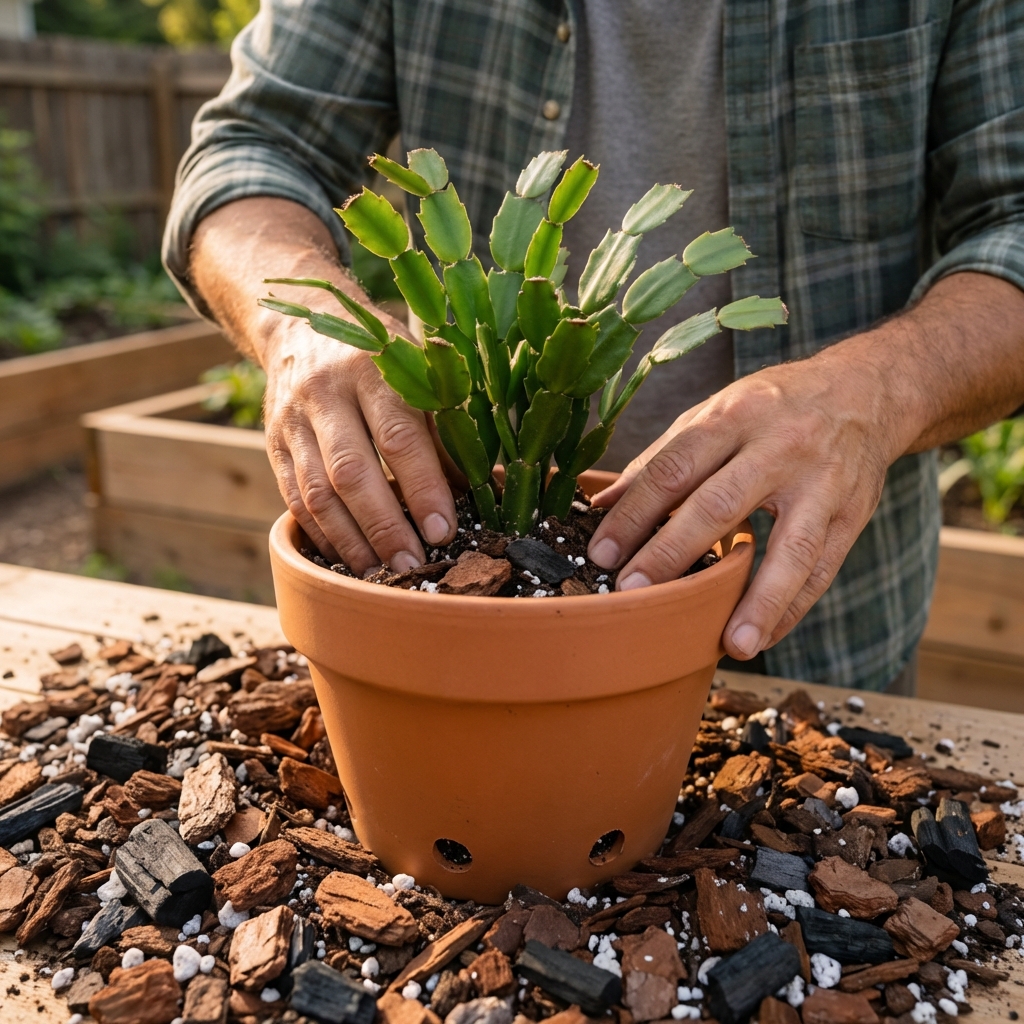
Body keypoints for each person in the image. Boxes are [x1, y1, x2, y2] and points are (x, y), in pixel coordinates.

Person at [164, 0, 1024, 693]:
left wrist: (877, 389)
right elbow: (253, 146)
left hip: (819, 636)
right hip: (453, 633)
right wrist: (307, 319)